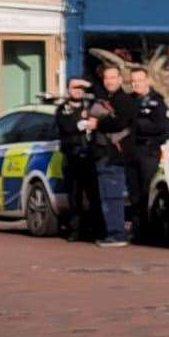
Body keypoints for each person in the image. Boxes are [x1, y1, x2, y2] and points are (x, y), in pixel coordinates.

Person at [89, 64, 138, 249]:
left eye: (112, 77)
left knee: (113, 197)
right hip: (104, 156)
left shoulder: (124, 101)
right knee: (107, 197)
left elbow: (119, 122)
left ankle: (117, 234)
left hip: (114, 157)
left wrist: (98, 123)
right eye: (106, 78)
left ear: (120, 79)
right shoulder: (107, 99)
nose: (109, 81)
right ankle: (112, 232)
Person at [126, 67, 169, 242]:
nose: (135, 84)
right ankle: (137, 230)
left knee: (147, 192)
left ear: (147, 80)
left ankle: (150, 231)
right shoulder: (130, 100)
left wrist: (139, 125)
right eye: (132, 81)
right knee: (134, 193)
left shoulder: (157, 101)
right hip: (131, 151)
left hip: (148, 151)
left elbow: (161, 127)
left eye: (139, 80)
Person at [55, 76, 100, 242]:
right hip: (72, 156)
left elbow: (100, 92)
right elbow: (66, 128)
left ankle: (95, 229)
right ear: (68, 90)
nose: (78, 90)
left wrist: (88, 84)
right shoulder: (63, 109)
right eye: (74, 87)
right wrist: (83, 124)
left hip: (90, 156)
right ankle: (76, 230)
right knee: (75, 196)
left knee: (93, 195)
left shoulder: (91, 105)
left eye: (81, 87)